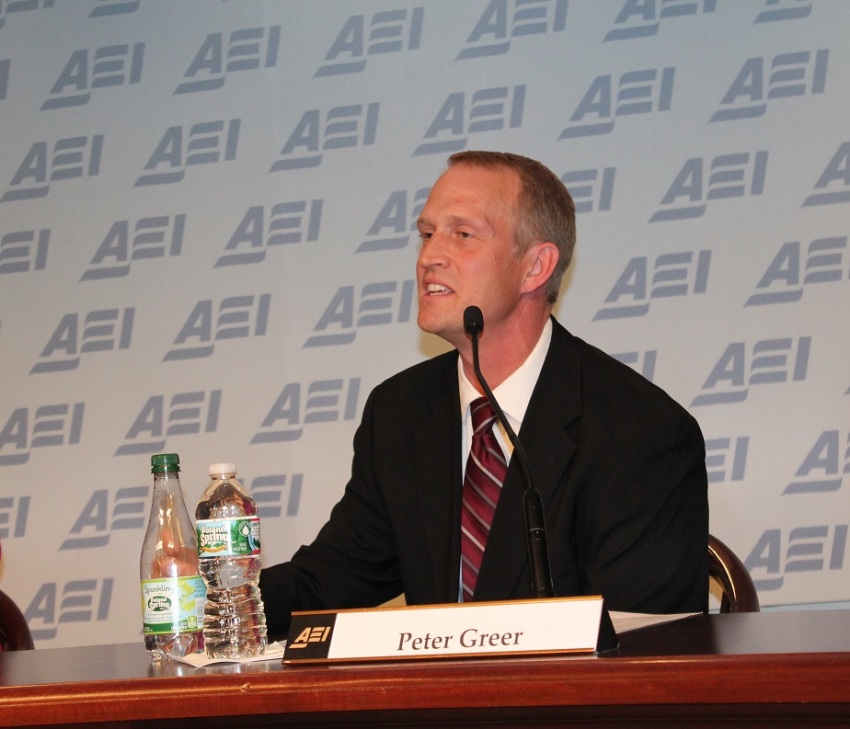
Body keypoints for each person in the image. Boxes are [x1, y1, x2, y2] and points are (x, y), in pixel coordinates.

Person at [259, 151, 708, 636]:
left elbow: (647, 640)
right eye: (427, 234)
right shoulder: (401, 413)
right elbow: (332, 578)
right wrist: (205, 606)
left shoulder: (641, 434)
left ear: (536, 266)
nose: (429, 256)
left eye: (463, 234)